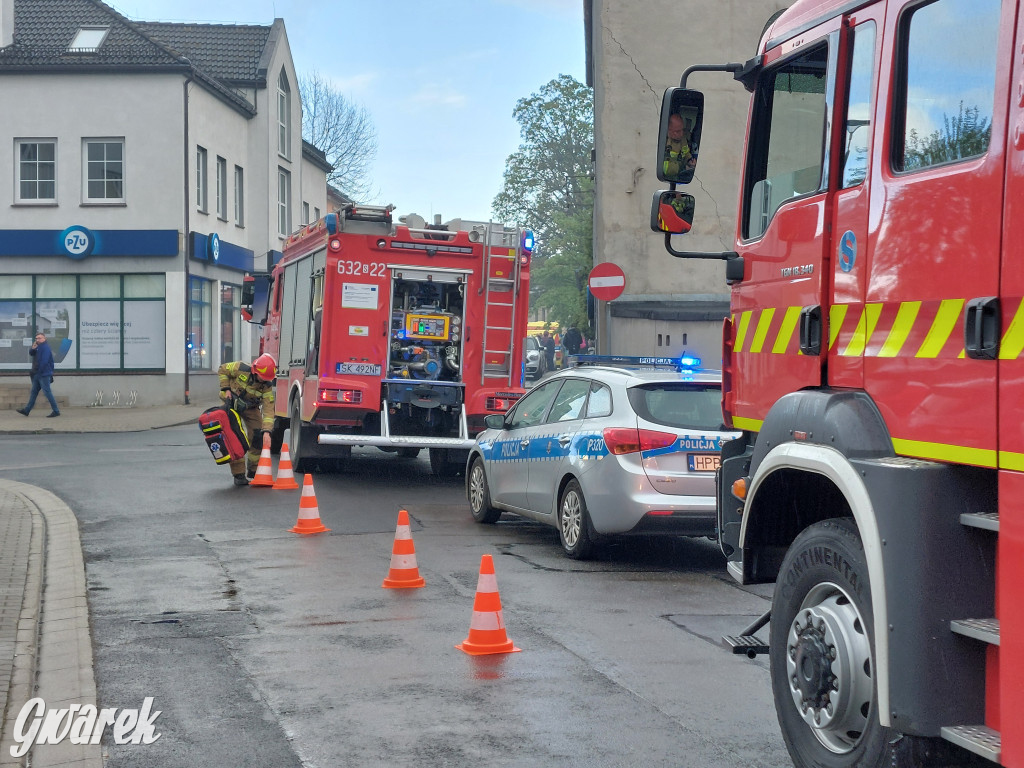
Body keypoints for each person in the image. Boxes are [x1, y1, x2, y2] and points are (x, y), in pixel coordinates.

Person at [218, 353, 277, 487]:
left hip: (251, 408)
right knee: (235, 436)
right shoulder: (241, 367)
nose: (264, 381)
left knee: (257, 434)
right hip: (231, 403)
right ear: (255, 371)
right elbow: (222, 369)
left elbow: (268, 409)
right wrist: (226, 388)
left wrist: (267, 431)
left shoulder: (267, 385)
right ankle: (238, 474)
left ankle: (253, 469)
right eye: (262, 378)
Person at [17, 331, 60, 418]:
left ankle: (56, 411)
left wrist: (39, 372)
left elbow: (44, 362)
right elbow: (31, 354)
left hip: (43, 374)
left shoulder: (45, 348)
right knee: (33, 392)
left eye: (40, 338)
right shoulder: (38, 347)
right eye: (36, 338)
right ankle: (27, 410)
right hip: (37, 373)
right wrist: (33, 348)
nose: (38, 340)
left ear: (44, 338)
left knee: (47, 392)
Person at [663, 113, 697, 181]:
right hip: (664, 180)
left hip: (679, 179)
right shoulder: (662, 142)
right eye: (678, 131)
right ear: (669, 130)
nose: (681, 133)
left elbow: (686, 153)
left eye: (682, 130)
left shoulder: (683, 139)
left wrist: (689, 161)